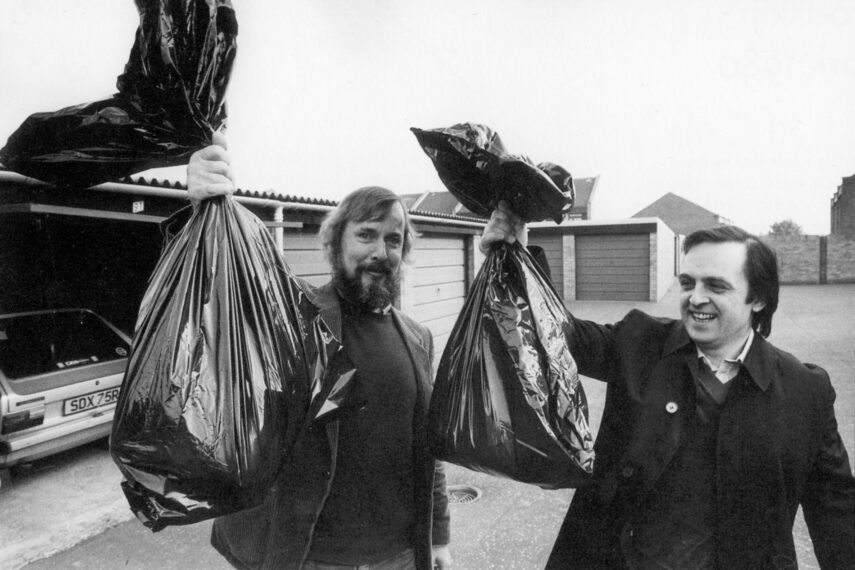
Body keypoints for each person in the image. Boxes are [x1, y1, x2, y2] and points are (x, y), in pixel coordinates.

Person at [482, 201, 855, 569]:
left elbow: (835, 509)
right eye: (688, 282)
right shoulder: (639, 342)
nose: (696, 298)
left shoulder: (806, 392)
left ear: (757, 297)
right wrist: (514, 259)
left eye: (716, 286)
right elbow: (556, 337)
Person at [186, 135, 452, 570]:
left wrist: (438, 534)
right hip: (312, 558)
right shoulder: (295, 314)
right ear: (334, 241)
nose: (380, 252)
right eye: (366, 234)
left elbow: (429, 449)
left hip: (400, 557)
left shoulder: (419, 338)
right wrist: (204, 211)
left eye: (393, 239)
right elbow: (223, 297)